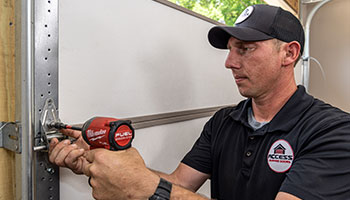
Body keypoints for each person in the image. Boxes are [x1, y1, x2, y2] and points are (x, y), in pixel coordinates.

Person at [49, 4, 350, 200]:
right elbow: (179, 182)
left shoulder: (334, 132)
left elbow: (160, 191)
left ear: (289, 53)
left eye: (245, 49)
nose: (230, 63)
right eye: (230, 50)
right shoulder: (223, 122)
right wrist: (101, 162)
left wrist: (146, 188)